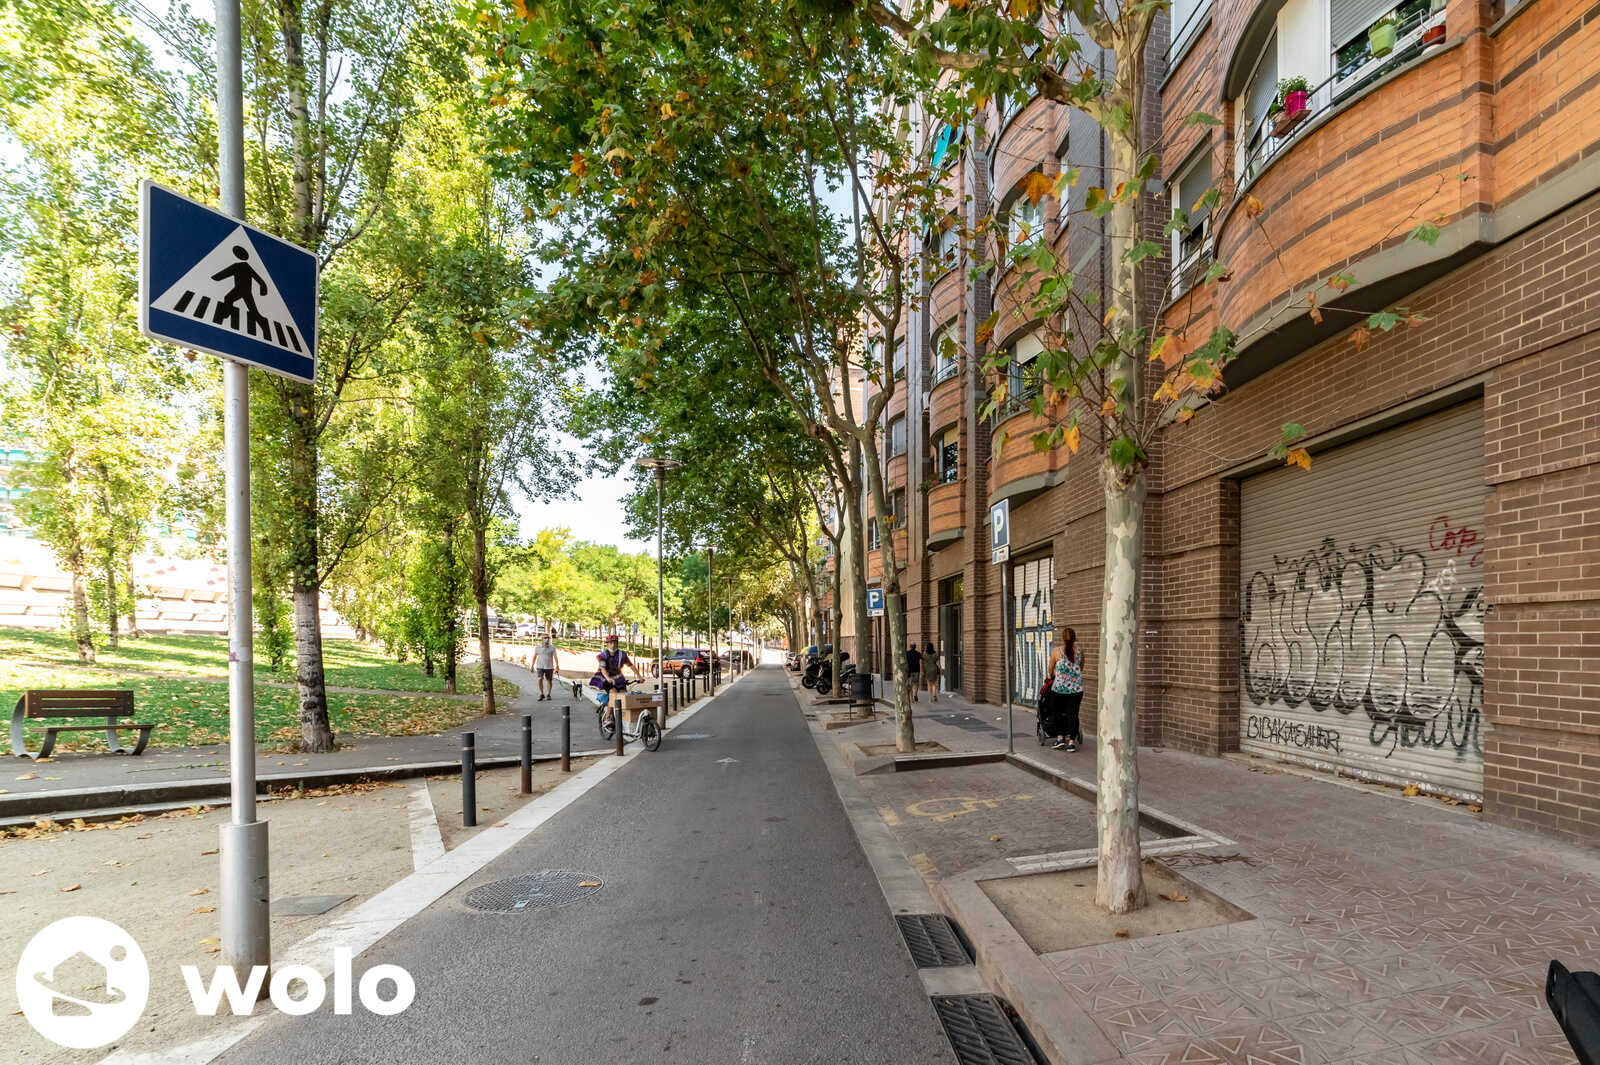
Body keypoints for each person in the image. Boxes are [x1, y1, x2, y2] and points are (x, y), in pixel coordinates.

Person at [1044, 627, 1084, 751]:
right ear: (1074, 638)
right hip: (1076, 690)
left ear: (1063, 638)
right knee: (1073, 715)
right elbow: (1081, 668)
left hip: (1059, 690)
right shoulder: (1080, 652)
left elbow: (1050, 669)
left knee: (1057, 713)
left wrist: (1051, 677)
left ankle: (1060, 738)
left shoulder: (1056, 651)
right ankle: (1071, 742)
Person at [590, 633, 642, 726]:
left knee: (623, 696)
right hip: (606, 679)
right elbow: (603, 668)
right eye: (610, 643)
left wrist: (639, 676)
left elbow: (631, 665)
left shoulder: (622, 654)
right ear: (607, 644)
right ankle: (607, 718)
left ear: (617, 643)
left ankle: (622, 719)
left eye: (614, 643)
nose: (613, 645)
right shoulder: (603, 655)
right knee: (613, 694)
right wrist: (608, 678)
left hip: (619, 679)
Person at [533, 635, 558, 700]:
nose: (547, 639)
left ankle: (548, 694)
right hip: (540, 666)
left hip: (549, 667)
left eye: (548, 638)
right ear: (542, 639)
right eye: (545, 638)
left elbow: (555, 657)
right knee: (540, 679)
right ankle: (541, 694)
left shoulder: (552, 647)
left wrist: (557, 666)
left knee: (549, 680)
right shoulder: (538, 647)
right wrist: (532, 665)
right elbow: (534, 656)